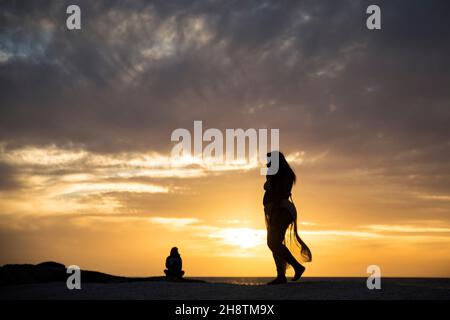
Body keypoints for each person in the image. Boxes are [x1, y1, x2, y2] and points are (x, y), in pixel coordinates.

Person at [263, 151, 312, 285]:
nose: (267, 163)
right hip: (278, 210)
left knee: (273, 243)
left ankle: (297, 267)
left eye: (270, 161)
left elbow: (279, 194)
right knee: (275, 243)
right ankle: (281, 276)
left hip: (280, 210)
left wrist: (275, 212)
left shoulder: (280, 174)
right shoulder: (279, 173)